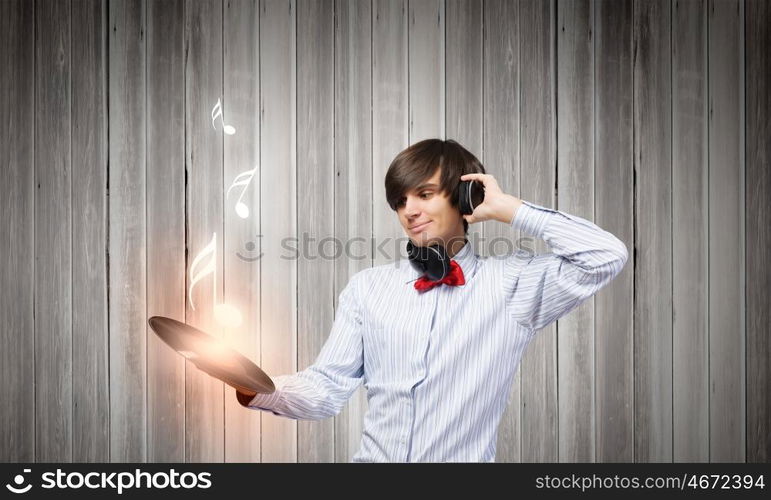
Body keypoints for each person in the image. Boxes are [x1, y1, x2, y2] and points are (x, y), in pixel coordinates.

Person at [235, 138, 628, 462]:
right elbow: (327, 388)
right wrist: (255, 387)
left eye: (424, 194)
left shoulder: (514, 284)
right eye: (401, 202)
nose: (410, 211)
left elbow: (606, 255)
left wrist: (510, 209)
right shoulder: (367, 288)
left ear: (464, 198)